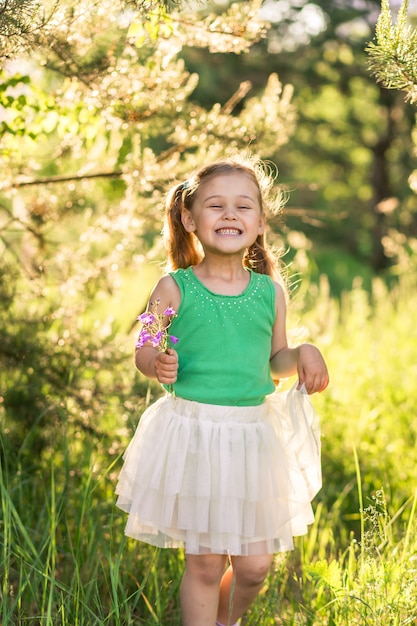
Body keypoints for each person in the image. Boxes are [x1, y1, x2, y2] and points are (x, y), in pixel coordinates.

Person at [116, 157, 329, 626]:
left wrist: (304, 353)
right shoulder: (172, 287)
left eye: (242, 206)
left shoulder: (270, 292)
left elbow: (274, 364)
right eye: (216, 206)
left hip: (253, 438)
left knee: (254, 567)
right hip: (195, 436)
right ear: (190, 219)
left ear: (259, 221)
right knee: (207, 563)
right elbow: (144, 348)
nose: (230, 215)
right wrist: (158, 363)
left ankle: (222, 621)